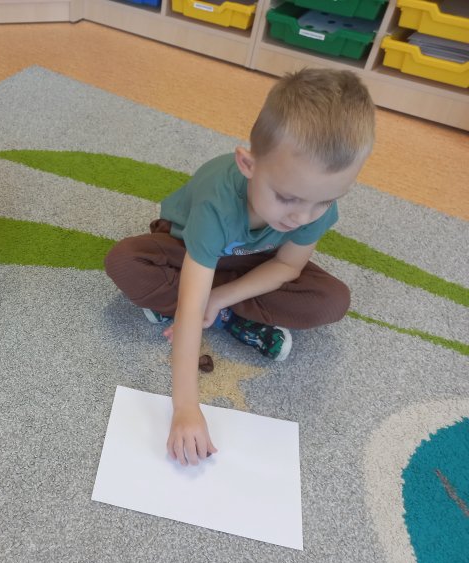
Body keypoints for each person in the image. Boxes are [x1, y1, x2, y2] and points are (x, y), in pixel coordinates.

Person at [104, 68, 375, 466]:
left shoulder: (311, 203)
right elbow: (191, 305)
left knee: (331, 301)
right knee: (126, 262)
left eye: (324, 201)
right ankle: (236, 317)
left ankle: (222, 310)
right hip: (189, 246)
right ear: (248, 164)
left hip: (257, 261)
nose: (303, 217)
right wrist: (185, 409)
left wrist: (216, 297)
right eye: (287, 198)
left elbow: (288, 266)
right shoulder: (218, 202)